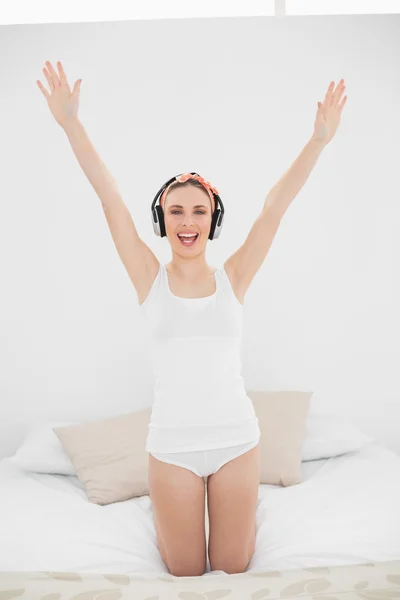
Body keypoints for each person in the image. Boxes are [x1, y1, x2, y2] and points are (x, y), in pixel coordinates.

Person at [37, 60, 346, 578]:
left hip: (236, 443)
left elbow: (273, 209)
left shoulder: (234, 279)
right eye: (176, 211)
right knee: (184, 576)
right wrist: (72, 125)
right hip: (173, 449)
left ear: (212, 221)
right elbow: (111, 200)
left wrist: (317, 141)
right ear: (163, 221)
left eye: (198, 211)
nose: (187, 221)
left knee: (229, 570)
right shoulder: (148, 280)